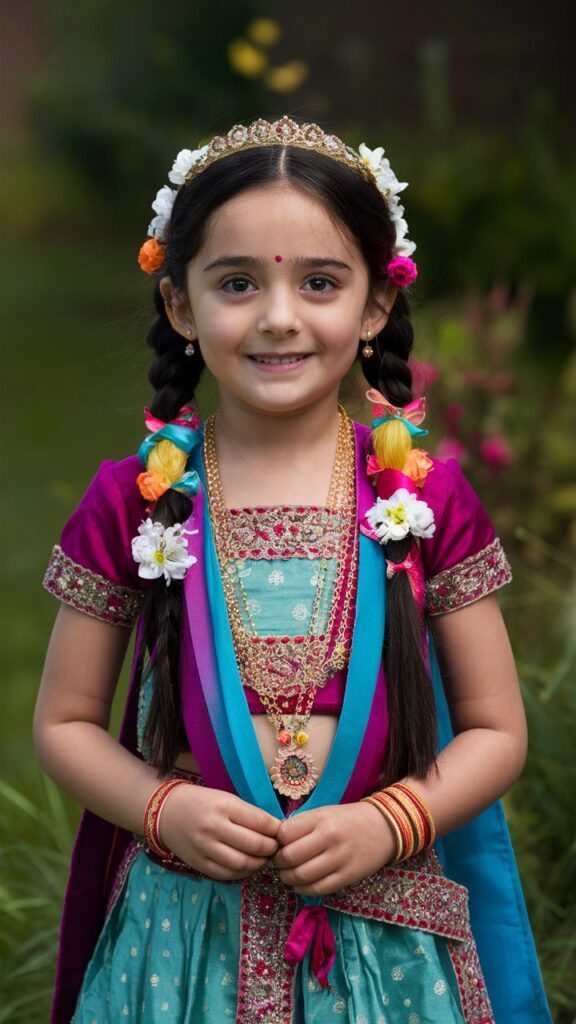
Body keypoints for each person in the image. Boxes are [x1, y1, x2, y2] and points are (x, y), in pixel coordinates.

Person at [35, 116, 551, 1024]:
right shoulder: (133, 499)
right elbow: (66, 721)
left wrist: (387, 823)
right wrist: (162, 810)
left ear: (377, 305)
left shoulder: (426, 498)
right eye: (237, 283)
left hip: (387, 948)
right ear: (182, 306)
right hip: (181, 944)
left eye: (320, 282)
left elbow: (496, 728)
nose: (278, 317)